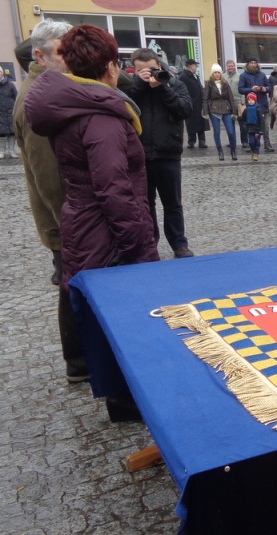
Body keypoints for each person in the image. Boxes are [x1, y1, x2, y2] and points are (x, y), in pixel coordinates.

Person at [24, 24, 160, 405]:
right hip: (106, 232)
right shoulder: (101, 115)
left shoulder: (78, 104)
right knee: (121, 317)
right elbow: (112, 188)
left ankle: (120, 395)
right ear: (110, 67)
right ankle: (126, 402)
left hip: (85, 222)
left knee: (103, 316)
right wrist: (141, 248)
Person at [14, 20, 78, 384]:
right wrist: (71, 223)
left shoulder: (51, 86)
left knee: (74, 284)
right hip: (65, 219)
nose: (68, 60)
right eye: (61, 53)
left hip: (68, 218)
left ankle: (81, 361)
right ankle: (80, 363)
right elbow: (49, 176)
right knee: (73, 286)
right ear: (39, 55)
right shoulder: (38, 97)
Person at [128, 47, 195, 259]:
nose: (150, 74)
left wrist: (161, 88)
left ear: (159, 65)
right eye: (143, 71)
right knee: (145, 203)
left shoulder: (175, 84)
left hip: (168, 153)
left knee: (173, 202)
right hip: (141, 155)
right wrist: (139, 84)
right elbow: (123, 107)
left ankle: (179, 244)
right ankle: (150, 243)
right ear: (135, 71)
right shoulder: (131, 87)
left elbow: (185, 109)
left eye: (152, 69)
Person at [238, 58, 274, 152]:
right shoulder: (243, 75)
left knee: (265, 126)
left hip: (262, 103)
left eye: (255, 63)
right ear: (248, 64)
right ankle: (251, 144)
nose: (254, 64)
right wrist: (251, 89)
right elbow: (240, 89)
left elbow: (269, 87)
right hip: (251, 105)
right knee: (251, 125)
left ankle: (267, 144)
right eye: (251, 63)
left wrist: (264, 89)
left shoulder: (262, 75)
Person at [203, 63, 237, 161]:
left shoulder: (225, 84)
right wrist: (205, 112)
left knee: (231, 132)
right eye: (215, 72)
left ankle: (233, 151)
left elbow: (231, 98)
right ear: (212, 74)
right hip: (214, 110)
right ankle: (220, 152)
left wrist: (234, 111)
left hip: (226, 109)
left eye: (218, 72)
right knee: (217, 132)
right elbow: (205, 98)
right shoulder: (209, 84)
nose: (217, 74)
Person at [180, 59, 206, 149]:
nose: (196, 67)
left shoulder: (195, 76)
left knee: (201, 123)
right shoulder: (184, 76)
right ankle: (191, 141)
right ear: (190, 66)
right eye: (195, 65)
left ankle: (202, 141)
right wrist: (189, 100)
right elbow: (182, 90)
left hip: (199, 104)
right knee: (191, 124)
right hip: (191, 104)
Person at [225, 59, 247, 149]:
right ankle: (232, 141)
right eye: (229, 66)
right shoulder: (223, 76)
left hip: (239, 103)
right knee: (230, 124)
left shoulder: (240, 76)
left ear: (235, 67)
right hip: (228, 103)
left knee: (242, 123)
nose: (231, 67)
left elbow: (242, 89)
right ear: (226, 67)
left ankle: (244, 141)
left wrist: (243, 100)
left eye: (232, 66)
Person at [0, 69, 17, 160]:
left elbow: (16, 97)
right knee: (1, 134)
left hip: (10, 113)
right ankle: (1, 151)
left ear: (2, 73)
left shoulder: (10, 85)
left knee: (12, 132)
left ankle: (11, 151)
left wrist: (14, 109)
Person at [243, 92, 263, 161]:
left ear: (255, 100)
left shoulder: (258, 109)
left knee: (257, 142)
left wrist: (261, 129)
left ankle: (256, 153)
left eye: (252, 100)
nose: (250, 101)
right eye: (249, 100)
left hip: (257, 129)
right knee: (251, 142)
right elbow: (243, 118)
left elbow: (261, 120)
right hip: (250, 129)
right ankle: (252, 150)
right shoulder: (246, 110)